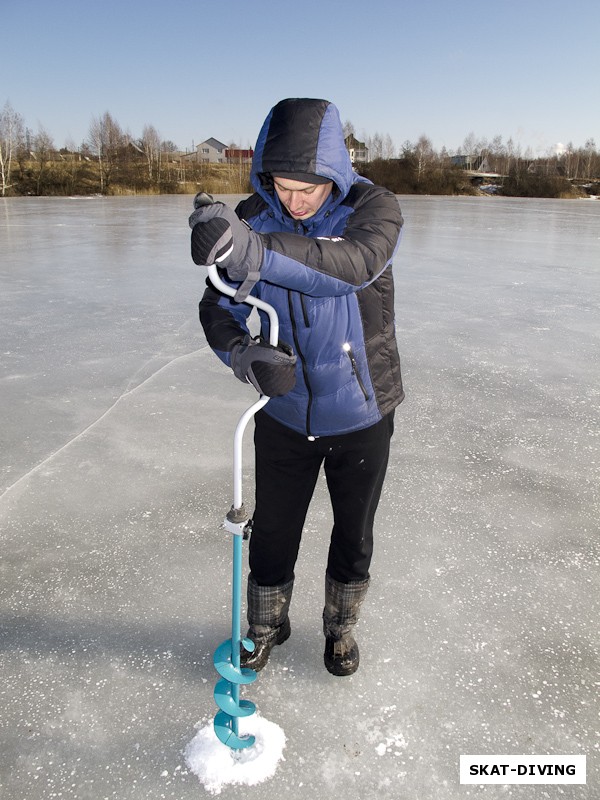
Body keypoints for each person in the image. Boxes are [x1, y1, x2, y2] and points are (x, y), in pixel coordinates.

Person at [189, 98, 404, 677]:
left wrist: (254, 253)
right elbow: (216, 305)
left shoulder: (373, 208)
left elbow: (353, 265)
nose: (295, 200)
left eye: (308, 187)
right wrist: (243, 354)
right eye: (282, 186)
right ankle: (265, 626)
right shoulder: (254, 215)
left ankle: (340, 629)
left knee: (354, 534)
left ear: (335, 170)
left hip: (362, 412)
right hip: (283, 412)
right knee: (275, 530)